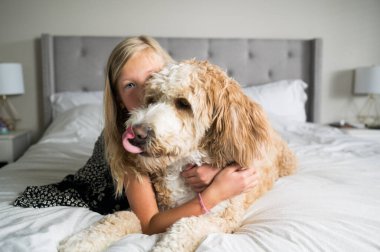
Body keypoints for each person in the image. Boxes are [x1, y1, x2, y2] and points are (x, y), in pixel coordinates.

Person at [14, 36, 259, 235]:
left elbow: (238, 148)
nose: (145, 93)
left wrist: (216, 169)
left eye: (152, 77)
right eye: (130, 85)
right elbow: (149, 223)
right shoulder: (131, 140)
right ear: (119, 101)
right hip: (100, 189)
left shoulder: (186, 115)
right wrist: (214, 193)